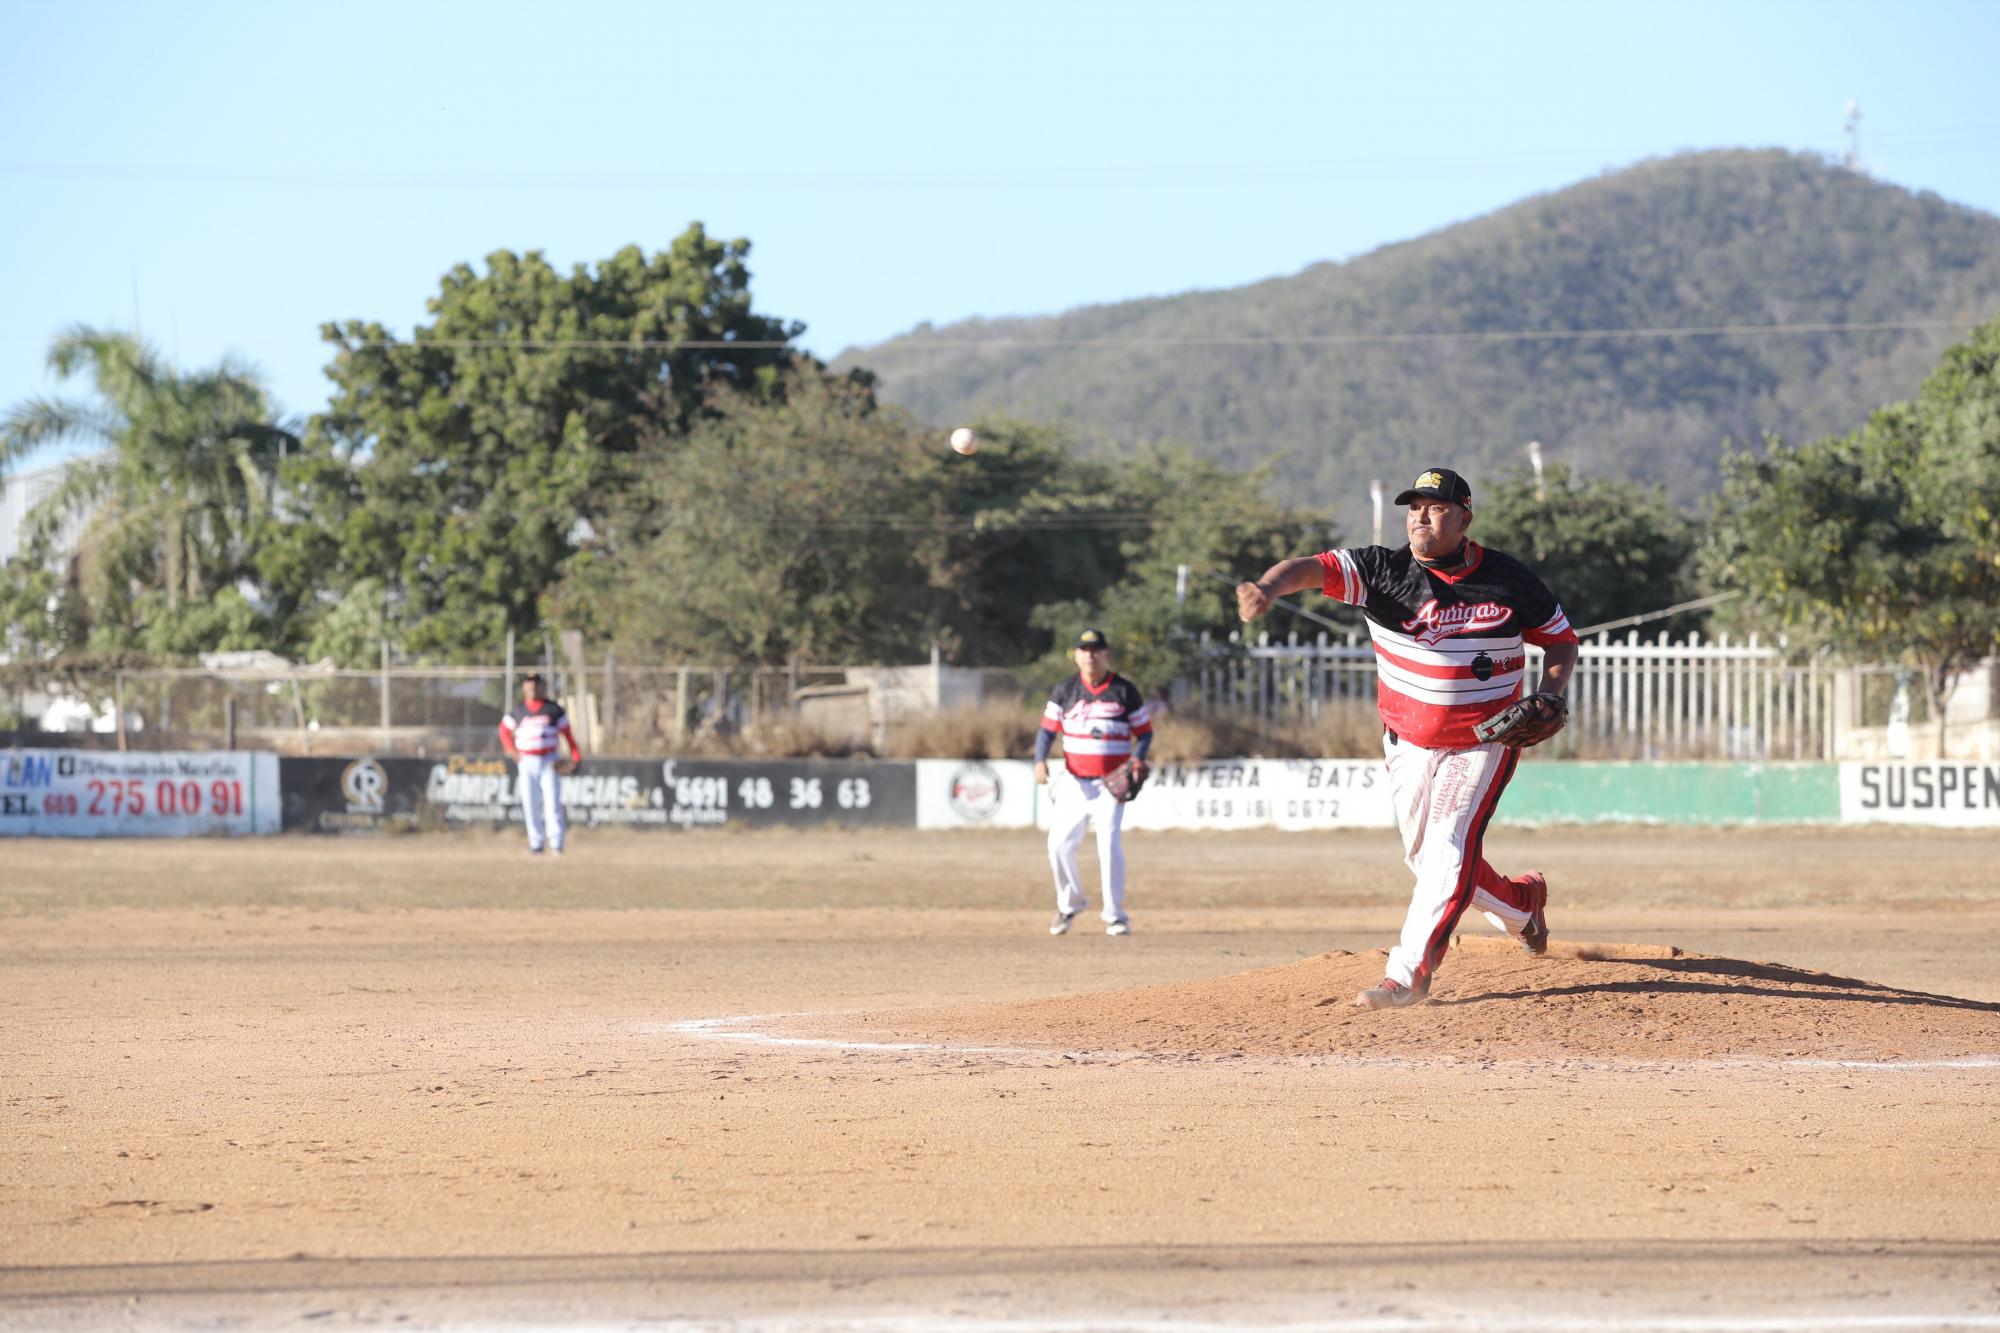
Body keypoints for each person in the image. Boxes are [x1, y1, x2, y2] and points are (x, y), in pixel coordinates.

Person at [1236, 467, 1579, 1009]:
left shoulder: (1509, 579)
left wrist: (1550, 694)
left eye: (1436, 507)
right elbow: (1310, 568)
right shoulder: (1381, 570)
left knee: (1446, 848)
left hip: (1484, 740)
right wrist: (1268, 587)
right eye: (1414, 506)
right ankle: (1521, 903)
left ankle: (1407, 975)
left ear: (1464, 516)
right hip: (1408, 743)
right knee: (1431, 861)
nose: (1421, 516)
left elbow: (1561, 642)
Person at [1035, 627, 1154, 937]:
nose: (1090, 655)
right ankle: (1070, 903)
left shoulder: (1124, 691)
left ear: (1106, 654)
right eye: (1084, 650)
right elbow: (1047, 731)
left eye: (1096, 650)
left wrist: (1138, 758)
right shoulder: (1065, 690)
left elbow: (1144, 732)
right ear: (1076, 655)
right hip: (1074, 781)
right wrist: (1039, 760)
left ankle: (1115, 916)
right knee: (1058, 845)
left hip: (1110, 784)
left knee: (1109, 844)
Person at [499, 672, 583, 856]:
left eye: (536, 683)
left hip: (549, 761)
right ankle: (536, 844)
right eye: (529, 683)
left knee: (552, 802)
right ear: (524, 687)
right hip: (526, 760)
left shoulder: (553, 709)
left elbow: (568, 735)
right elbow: (504, 731)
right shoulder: (518, 710)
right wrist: (512, 751)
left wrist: (576, 756)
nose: (533, 687)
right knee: (530, 803)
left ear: (542, 686)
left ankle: (556, 844)